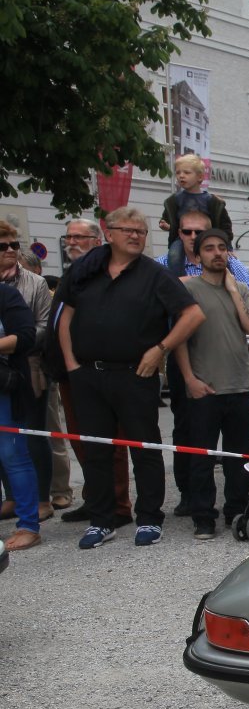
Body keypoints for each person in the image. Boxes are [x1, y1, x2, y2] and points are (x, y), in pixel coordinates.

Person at [55, 207, 205, 549]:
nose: (135, 236)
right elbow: (65, 317)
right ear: (109, 233)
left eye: (141, 231)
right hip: (88, 374)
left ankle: (150, 517)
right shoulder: (86, 270)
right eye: (128, 230)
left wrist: (160, 349)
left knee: (144, 448)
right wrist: (71, 364)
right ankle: (101, 520)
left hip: (135, 374)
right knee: (95, 451)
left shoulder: (155, 274)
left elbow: (193, 315)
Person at [175, 230, 249, 539]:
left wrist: (233, 291)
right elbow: (179, 339)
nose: (217, 253)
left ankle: (236, 510)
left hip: (241, 385)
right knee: (201, 458)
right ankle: (203, 516)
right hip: (206, 387)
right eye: (209, 248)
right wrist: (189, 379)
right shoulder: (188, 289)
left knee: (239, 457)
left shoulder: (240, 288)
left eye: (222, 248)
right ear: (198, 255)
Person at [54, 219, 128, 523]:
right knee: (82, 441)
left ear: (98, 241)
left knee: (110, 442)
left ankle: (119, 504)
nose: (71, 242)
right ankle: (95, 498)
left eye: (79, 237)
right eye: (68, 237)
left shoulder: (102, 274)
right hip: (70, 372)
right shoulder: (73, 273)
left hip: (98, 370)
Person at [0, 221, 54, 527]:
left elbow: (43, 326)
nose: (10, 250)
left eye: (14, 245)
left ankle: (41, 500)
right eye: (2, 246)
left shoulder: (34, 283)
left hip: (28, 365)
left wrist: (14, 343)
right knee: (5, 443)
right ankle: (12, 497)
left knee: (32, 434)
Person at [0, 281, 39, 551]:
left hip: (5, 390)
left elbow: (26, 336)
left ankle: (28, 526)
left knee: (13, 456)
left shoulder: (6, 295)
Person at [158, 153, 232, 278]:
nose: (181, 176)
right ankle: (178, 282)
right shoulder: (173, 201)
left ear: (200, 177)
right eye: (178, 172)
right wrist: (166, 225)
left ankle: (224, 279)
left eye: (186, 172)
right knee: (174, 255)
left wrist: (228, 246)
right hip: (182, 239)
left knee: (222, 257)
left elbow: (225, 225)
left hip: (209, 238)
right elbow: (167, 219)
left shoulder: (212, 201)